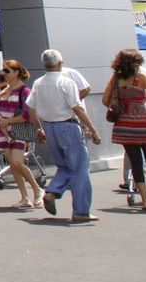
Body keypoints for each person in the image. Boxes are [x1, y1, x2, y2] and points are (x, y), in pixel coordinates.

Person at [27, 49, 101, 223]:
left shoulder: (38, 83)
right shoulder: (66, 82)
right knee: (80, 169)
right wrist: (92, 129)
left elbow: (30, 107)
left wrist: (38, 128)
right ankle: (81, 211)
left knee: (64, 166)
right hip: (67, 126)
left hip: (49, 127)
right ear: (60, 63)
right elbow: (77, 107)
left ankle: (53, 192)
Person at [102, 48, 146, 210]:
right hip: (145, 122)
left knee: (135, 162)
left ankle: (144, 200)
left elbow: (105, 100)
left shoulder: (115, 79)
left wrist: (119, 104)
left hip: (124, 125)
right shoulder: (141, 78)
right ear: (136, 64)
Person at [0, 60, 41, 209]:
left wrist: (7, 121)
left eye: (7, 71)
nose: (4, 73)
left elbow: (26, 115)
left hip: (20, 129)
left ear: (16, 72)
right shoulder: (4, 90)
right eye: (3, 70)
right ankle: (24, 197)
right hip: (4, 130)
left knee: (17, 161)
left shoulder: (24, 91)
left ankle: (37, 189)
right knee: (13, 164)